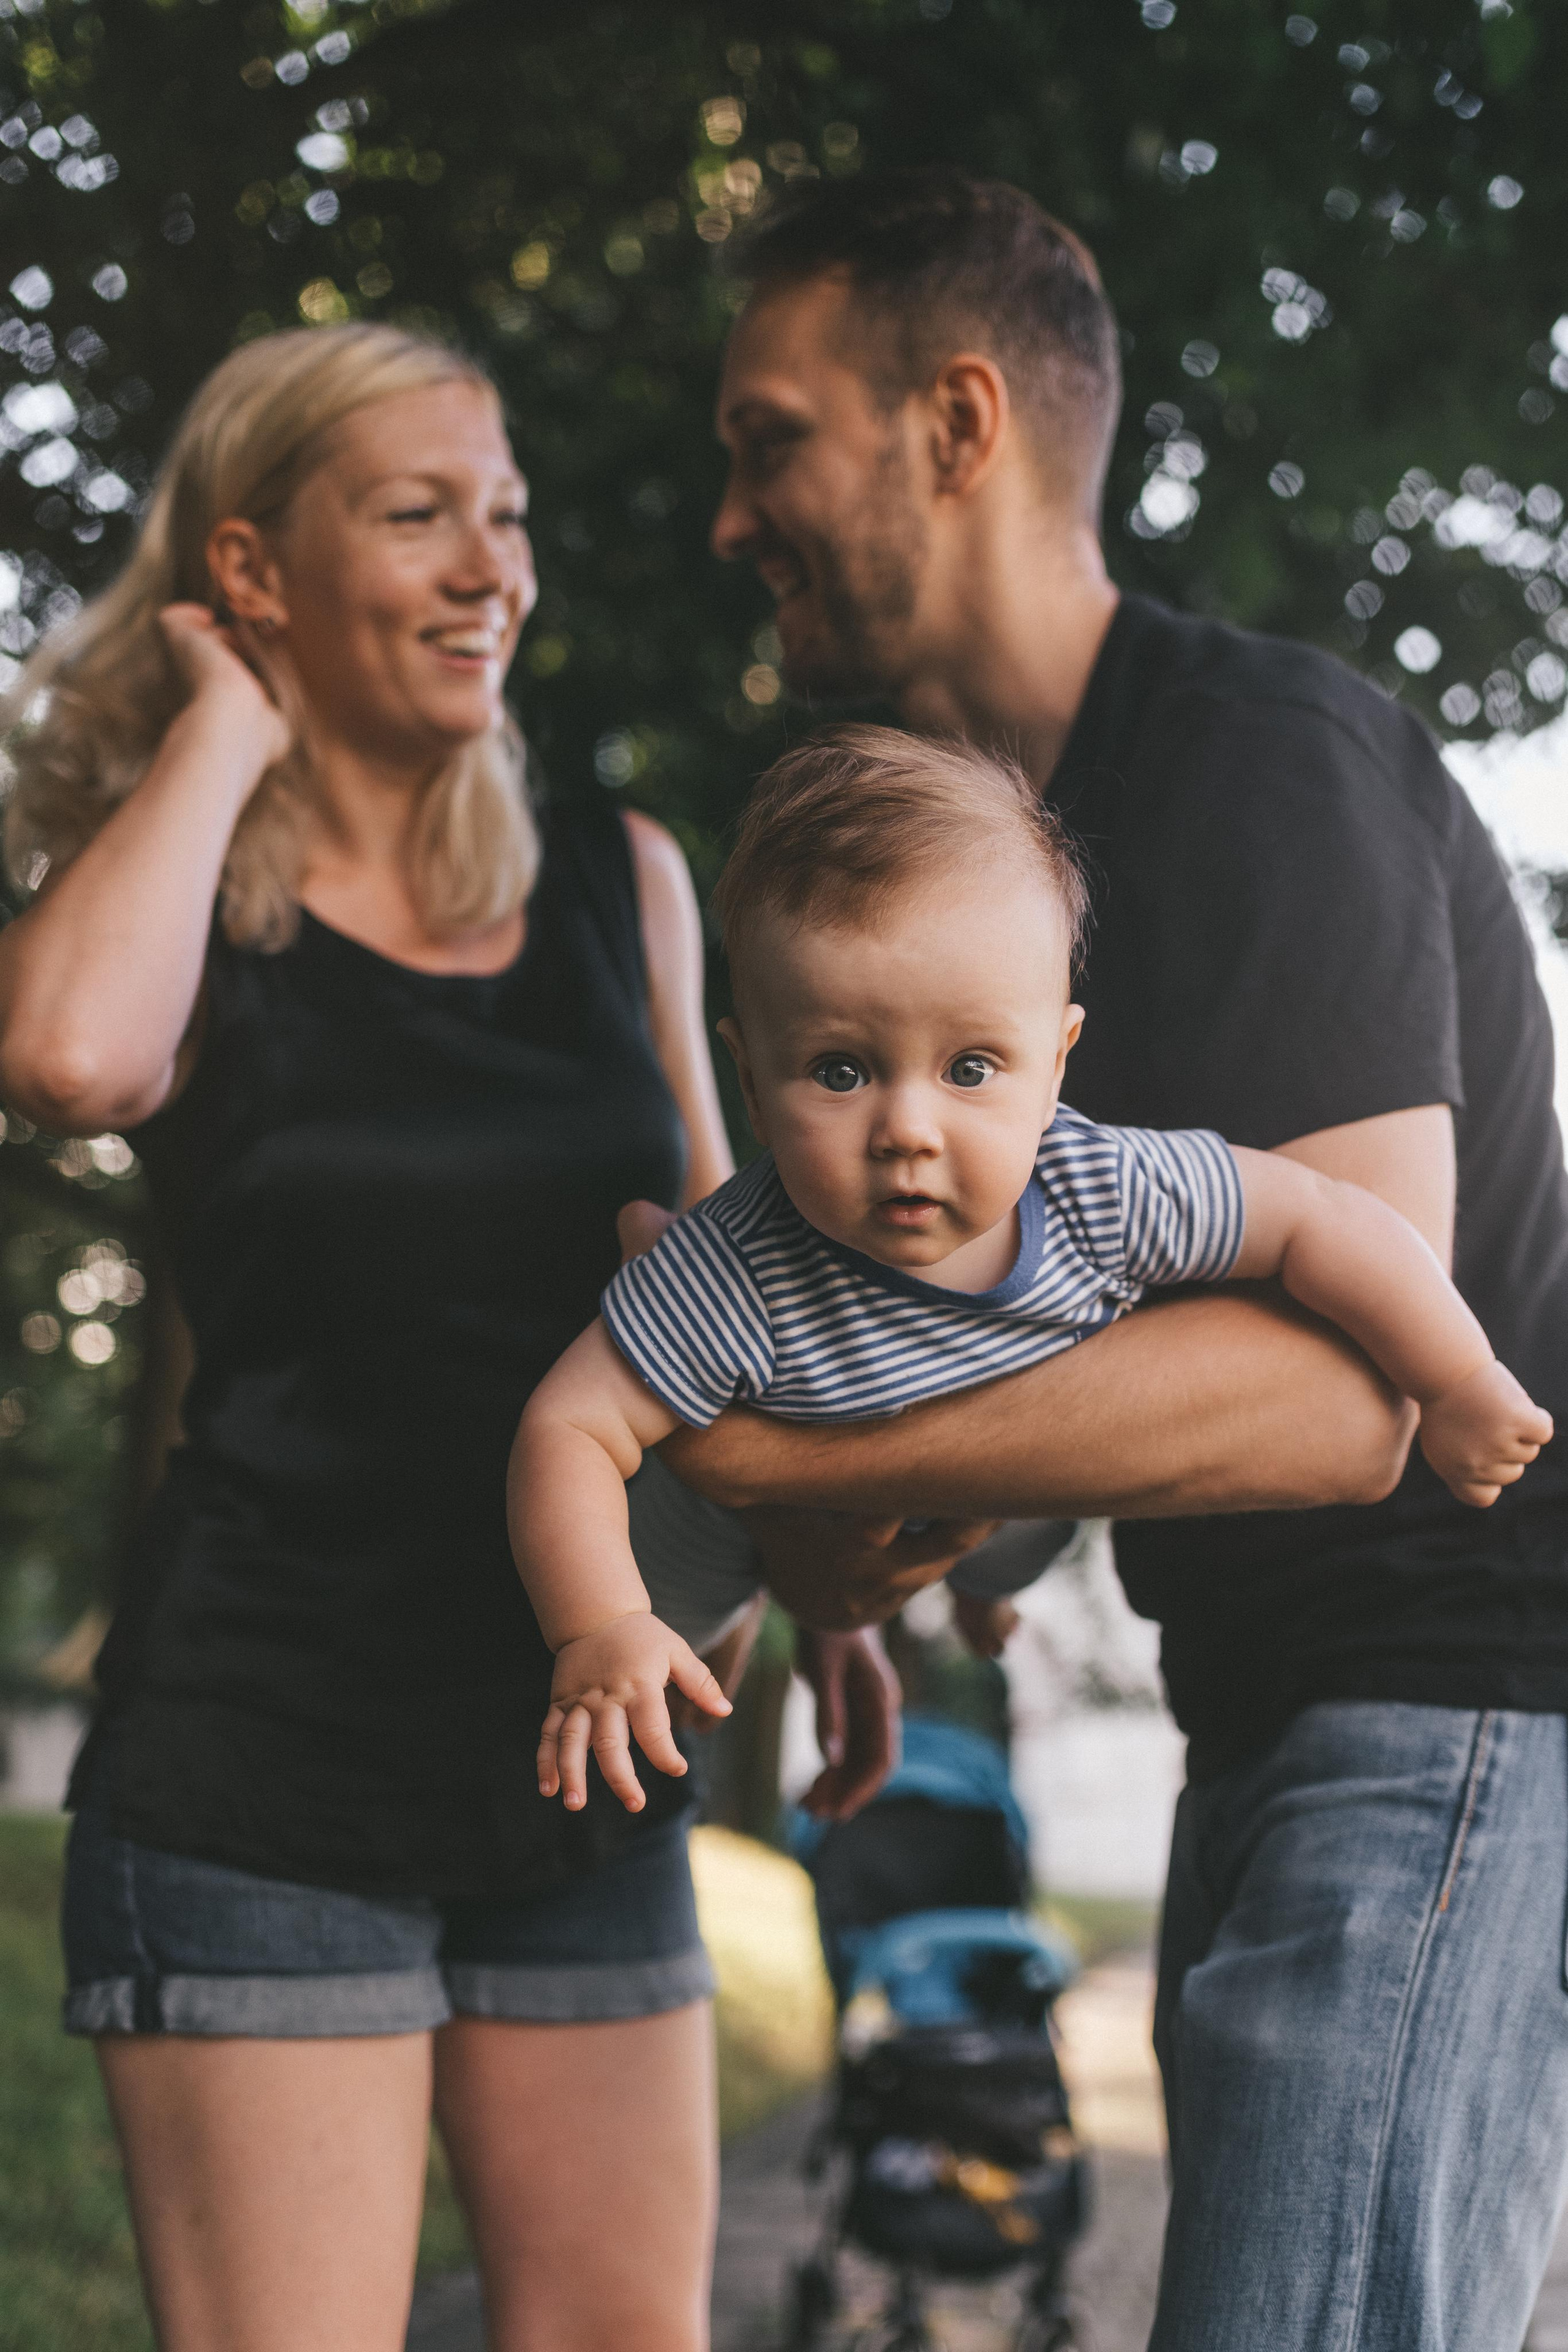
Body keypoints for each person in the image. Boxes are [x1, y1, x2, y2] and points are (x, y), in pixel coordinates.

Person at [649, 168, 1568, 2350]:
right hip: (1277, 1724)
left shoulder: (1260, 770)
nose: (727, 515)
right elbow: (1125, 1330)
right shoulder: (1019, 886)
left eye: (769, 436)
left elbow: (1345, 1403)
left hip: (1449, 1710)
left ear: (954, 422)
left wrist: (801, 1460)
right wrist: (918, 1566)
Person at [0, 318, 837, 2352]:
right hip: (262, 1771)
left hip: (585, 1764)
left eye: (509, 515)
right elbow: (69, 1054)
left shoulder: (621, 885)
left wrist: (843, 1580)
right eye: (414, 516)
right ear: (257, 565)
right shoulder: (179, 895)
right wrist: (220, 715)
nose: (493, 569)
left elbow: (740, 1301)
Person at [514, 726, 1548, 1811]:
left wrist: (1457, 1379)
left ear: (1055, 1063)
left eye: (970, 1067)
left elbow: (1325, 1220)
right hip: (727, 1508)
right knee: (677, 1625)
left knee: (1018, 1543)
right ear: (754, 1080)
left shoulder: (1100, 1188)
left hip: (996, 1483)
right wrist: (602, 1623)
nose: (907, 1127)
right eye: (839, 1070)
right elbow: (568, 1429)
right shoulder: (735, 1270)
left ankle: (975, 1596)